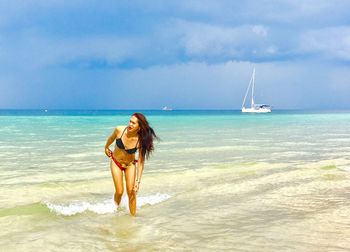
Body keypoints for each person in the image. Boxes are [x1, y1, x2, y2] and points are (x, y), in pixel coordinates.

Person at [104, 112, 158, 216]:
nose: (130, 124)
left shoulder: (140, 141)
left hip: (130, 165)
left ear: (139, 127)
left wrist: (138, 182)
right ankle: (114, 213)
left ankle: (134, 218)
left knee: (131, 192)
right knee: (119, 191)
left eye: (133, 123)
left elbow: (141, 162)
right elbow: (111, 138)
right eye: (130, 121)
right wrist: (106, 147)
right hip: (116, 162)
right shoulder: (119, 130)